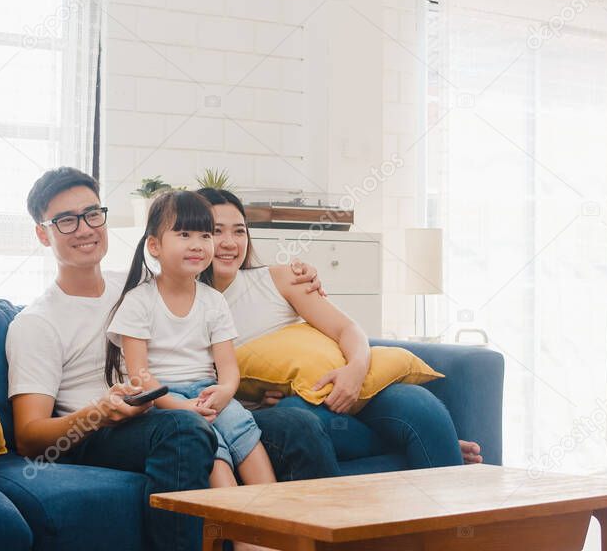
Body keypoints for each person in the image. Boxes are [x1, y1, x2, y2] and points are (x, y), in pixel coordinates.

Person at [6, 168, 336, 551]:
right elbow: (29, 437)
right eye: (66, 221)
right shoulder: (36, 323)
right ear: (43, 233)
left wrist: (295, 272)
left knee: (296, 423)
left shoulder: (135, 283)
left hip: (175, 405)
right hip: (106, 430)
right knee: (184, 428)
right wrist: (99, 412)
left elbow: (205, 270)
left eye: (93, 214)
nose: (85, 229)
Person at [196, 187, 485, 468]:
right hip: (298, 406)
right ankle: (427, 444)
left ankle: (454, 504)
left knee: (419, 405)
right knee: (298, 418)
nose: (230, 242)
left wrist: (355, 370)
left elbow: (347, 329)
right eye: (216, 231)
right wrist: (253, 400)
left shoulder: (281, 279)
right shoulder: (186, 304)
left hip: (350, 388)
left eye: (239, 230)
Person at [107, 191, 278, 551]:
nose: (198, 244)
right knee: (210, 449)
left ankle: (275, 527)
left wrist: (225, 392)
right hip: (163, 400)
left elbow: (227, 369)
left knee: (247, 437)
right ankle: (247, 540)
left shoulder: (213, 301)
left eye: (204, 235)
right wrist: (182, 406)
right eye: (184, 235)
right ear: (154, 245)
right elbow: (140, 377)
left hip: (208, 391)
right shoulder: (139, 302)